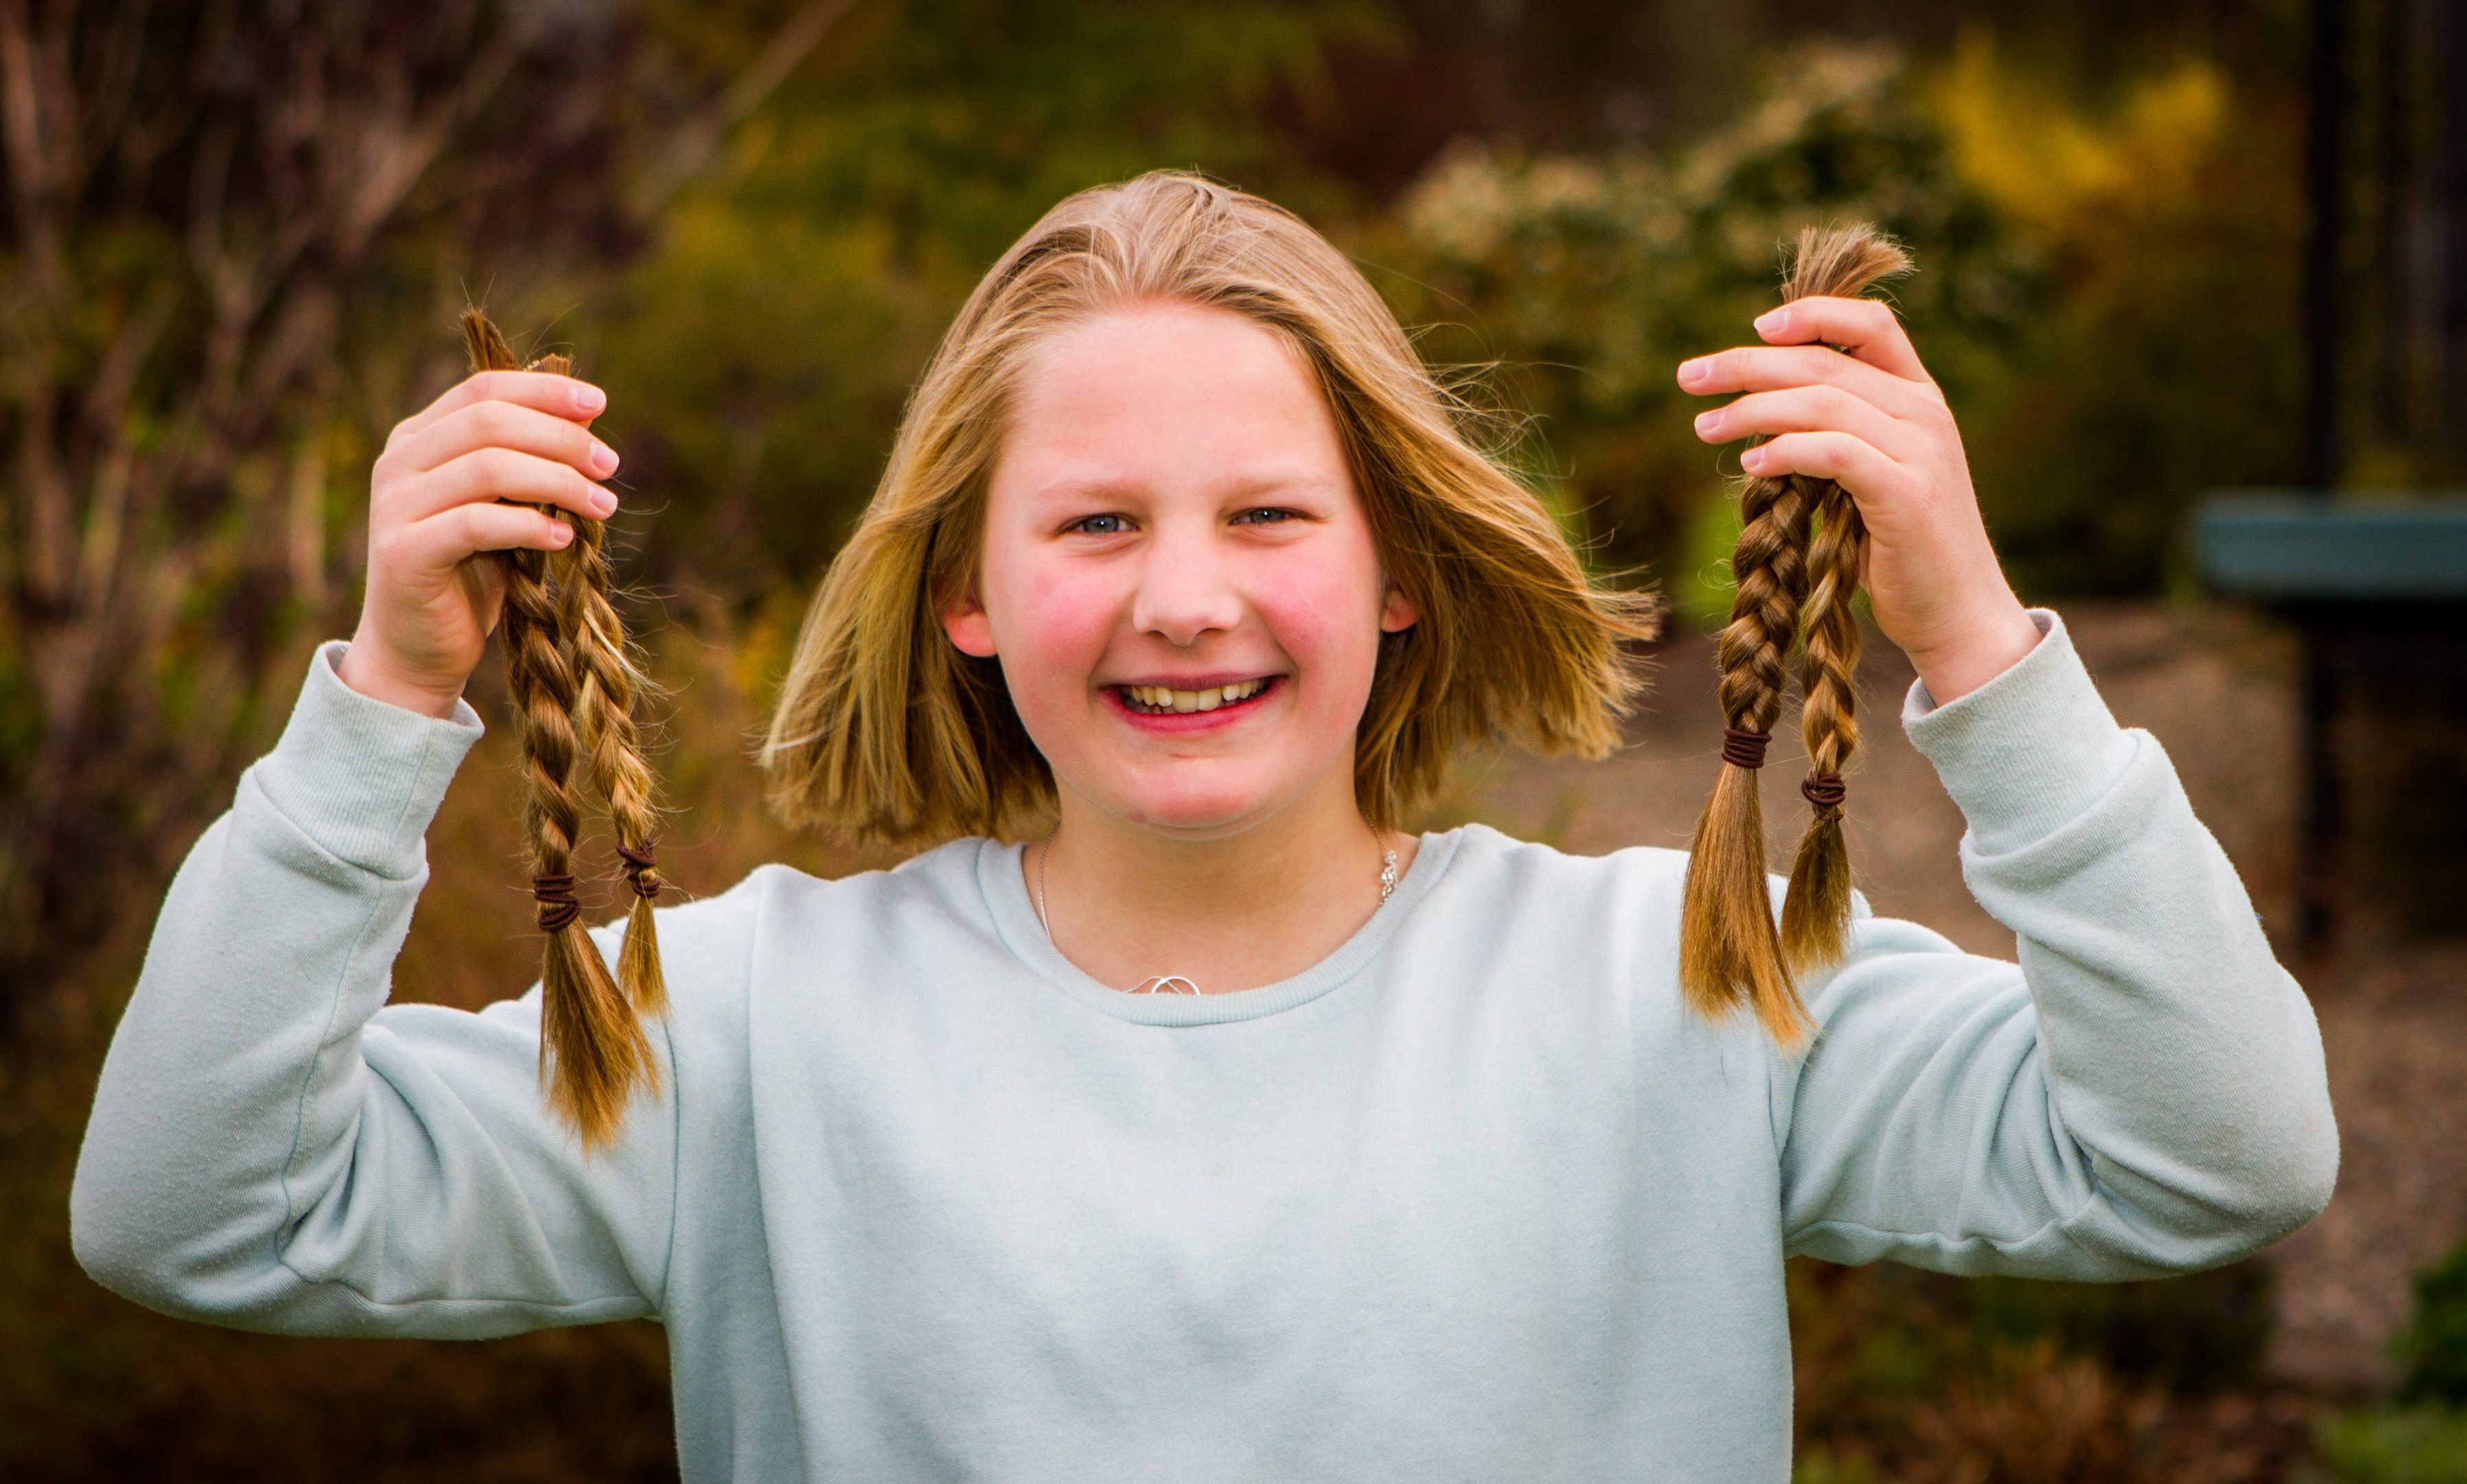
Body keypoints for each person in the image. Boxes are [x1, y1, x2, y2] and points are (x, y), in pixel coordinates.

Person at [70, 172, 2338, 1481]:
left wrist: (1976, 643)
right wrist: (386, 701)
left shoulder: (1685, 980)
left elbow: (2213, 1155)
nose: (1182, 594)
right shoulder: (745, 1023)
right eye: (1091, 522)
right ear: (963, 590)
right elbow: (197, 1212)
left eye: (1270, 510)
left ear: (1401, 572)